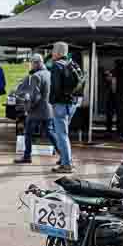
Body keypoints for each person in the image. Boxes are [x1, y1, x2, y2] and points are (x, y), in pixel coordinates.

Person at [14, 54, 56, 164]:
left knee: (28, 133)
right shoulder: (49, 74)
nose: (31, 66)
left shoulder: (36, 76)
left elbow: (35, 96)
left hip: (36, 110)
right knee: (50, 132)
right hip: (49, 109)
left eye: (32, 63)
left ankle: (27, 156)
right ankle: (63, 154)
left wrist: (28, 107)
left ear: (36, 63)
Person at [49, 42, 75, 174]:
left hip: (60, 104)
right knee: (64, 134)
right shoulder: (71, 63)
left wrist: (52, 101)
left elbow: (55, 87)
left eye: (53, 50)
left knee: (61, 135)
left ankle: (66, 164)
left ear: (58, 52)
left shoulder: (56, 66)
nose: (52, 53)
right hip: (71, 103)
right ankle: (66, 159)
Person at [103, 69, 117, 134]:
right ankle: (109, 129)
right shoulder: (108, 82)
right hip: (111, 99)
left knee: (111, 114)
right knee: (109, 115)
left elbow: (113, 90)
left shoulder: (113, 80)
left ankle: (109, 129)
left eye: (108, 76)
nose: (107, 77)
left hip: (114, 98)